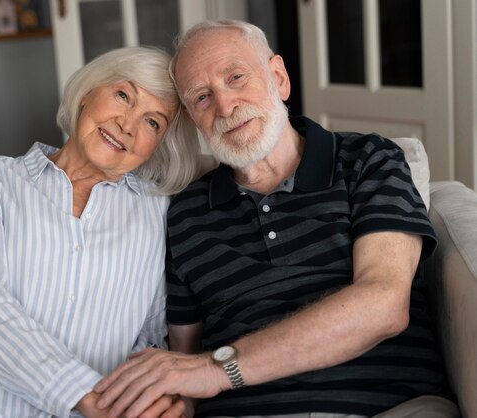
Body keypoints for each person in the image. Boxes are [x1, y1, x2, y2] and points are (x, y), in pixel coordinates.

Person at [92, 20, 459, 418]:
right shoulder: (186, 213)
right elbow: (185, 364)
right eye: (201, 97)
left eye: (236, 77)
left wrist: (217, 369)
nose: (226, 106)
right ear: (191, 119)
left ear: (279, 78)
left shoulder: (369, 160)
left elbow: (383, 305)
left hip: (388, 407)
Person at [0, 46, 201, 418]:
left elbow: (150, 336)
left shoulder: (155, 211)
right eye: (123, 96)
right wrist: (91, 400)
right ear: (88, 93)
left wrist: (154, 401)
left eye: (152, 122)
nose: (127, 125)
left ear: (157, 146)